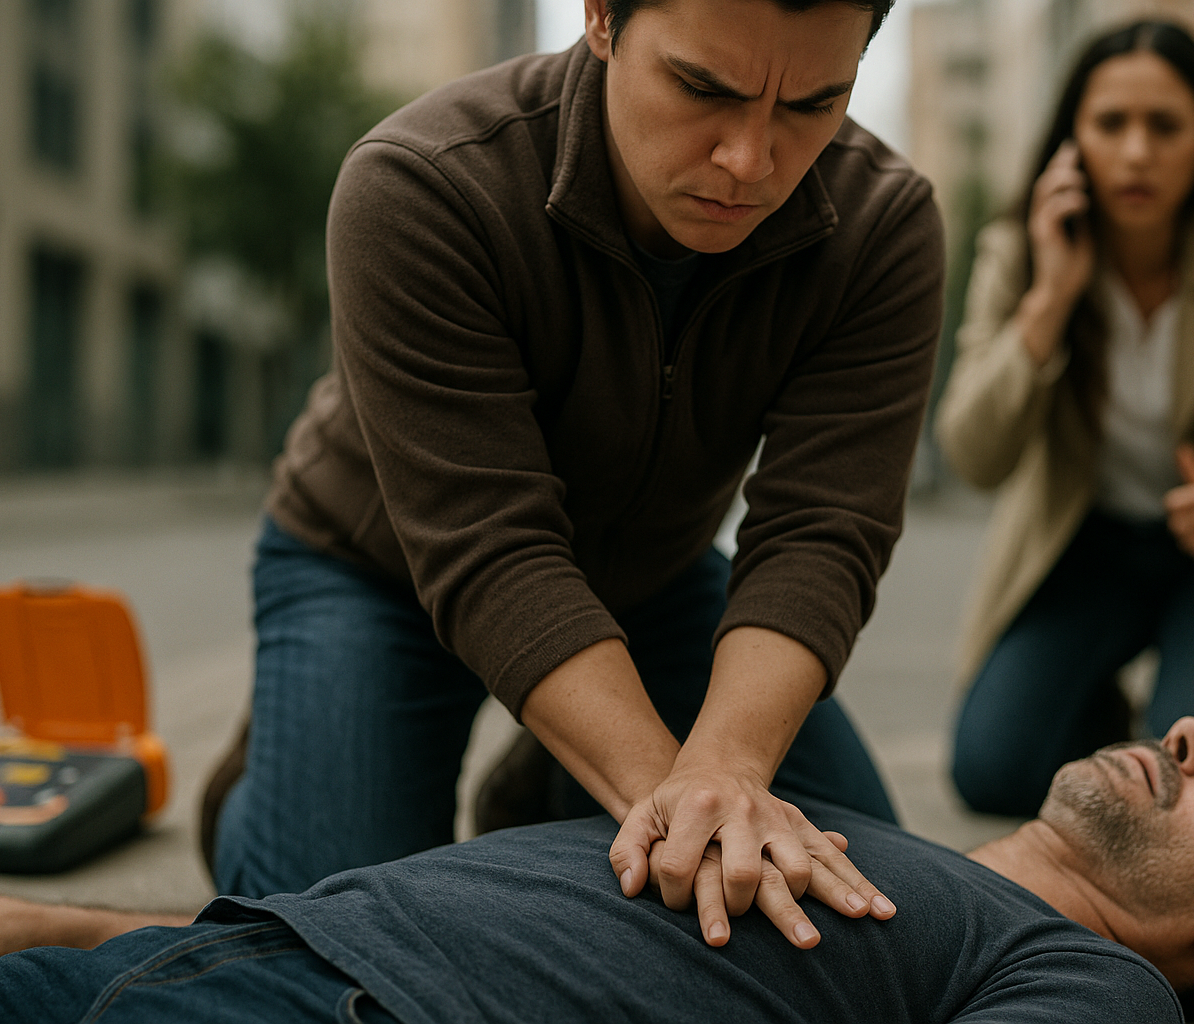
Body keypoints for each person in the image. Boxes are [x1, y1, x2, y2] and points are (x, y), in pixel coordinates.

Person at [206, 0, 946, 944]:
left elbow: (821, 529)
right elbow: (494, 550)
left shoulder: (884, 223)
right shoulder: (422, 183)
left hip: (655, 581)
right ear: (601, 15)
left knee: (861, 890)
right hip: (375, 568)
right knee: (348, 929)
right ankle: (277, 777)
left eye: (812, 102)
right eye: (702, 88)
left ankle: (553, 783)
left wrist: (726, 770)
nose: (750, 161)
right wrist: (678, 803)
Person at [0, 718, 1194, 1022]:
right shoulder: (881, 854)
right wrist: (84, 917)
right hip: (252, 948)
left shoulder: (1081, 979)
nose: (1186, 730)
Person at [935, 20, 1194, 817]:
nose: (1135, 153)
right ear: (1072, 140)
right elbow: (974, 454)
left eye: (1164, 126)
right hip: (1087, 545)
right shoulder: (1019, 252)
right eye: (1109, 124)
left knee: (1180, 793)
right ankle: (1100, 716)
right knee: (992, 771)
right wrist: (1050, 301)